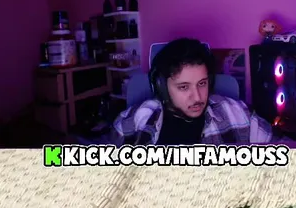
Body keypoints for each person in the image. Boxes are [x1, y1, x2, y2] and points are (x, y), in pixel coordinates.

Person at [110, 38, 273, 146]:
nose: (197, 97)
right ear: (161, 87)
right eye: (184, 87)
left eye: (202, 83)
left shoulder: (239, 114)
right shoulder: (131, 123)